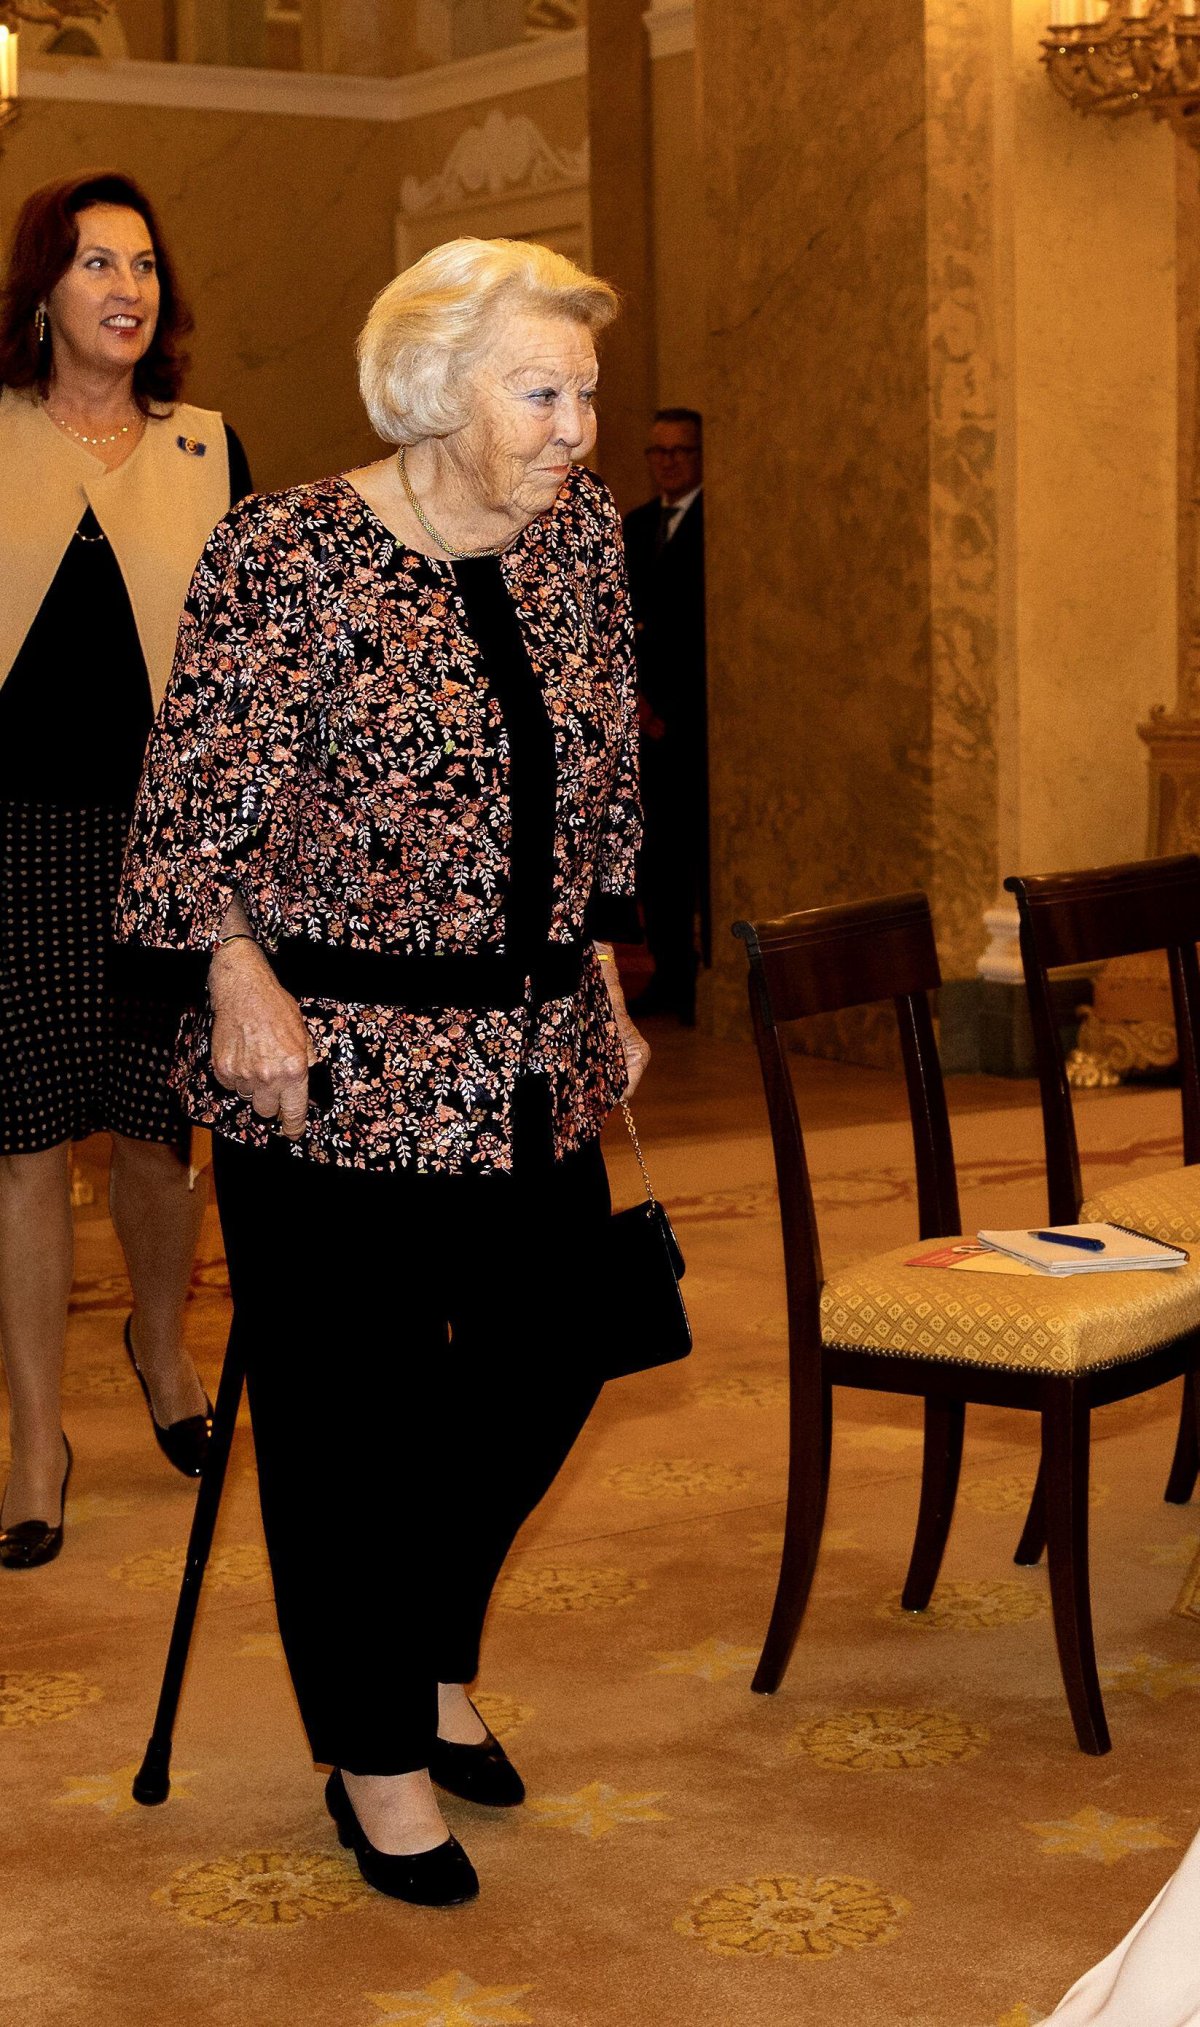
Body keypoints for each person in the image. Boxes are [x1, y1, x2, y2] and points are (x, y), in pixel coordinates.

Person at [116, 236, 648, 1909]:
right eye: (540, 389)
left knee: (562, 1338)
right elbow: (190, 808)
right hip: (326, 1064)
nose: (576, 424)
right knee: (349, 1418)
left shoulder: (580, 544)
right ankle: (377, 1749)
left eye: (583, 389)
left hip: (529, 1051)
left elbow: (604, 771)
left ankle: (417, 1641)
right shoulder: (288, 553)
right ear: (435, 387)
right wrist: (235, 976)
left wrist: (609, 970)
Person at [0, 170, 251, 1573]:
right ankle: (36, 1440)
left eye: (143, 264)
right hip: (18, 832)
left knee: (161, 1132)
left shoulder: (210, 448)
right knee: (26, 1139)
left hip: (172, 838)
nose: (126, 287)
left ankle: (162, 1350)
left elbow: (250, 668)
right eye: (97, 262)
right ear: (44, 291)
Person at [621, 407, 707, 1025]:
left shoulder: (715, 523)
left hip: (695, 721)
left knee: (692, 850)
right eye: (659, 451)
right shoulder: (635, 525)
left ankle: (696, 976)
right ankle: (668, 969)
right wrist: (638, 704)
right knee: (654, 856)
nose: (669, 461)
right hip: (640, 715)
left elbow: (702, 634)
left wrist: (669, 711)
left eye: (681, 450)